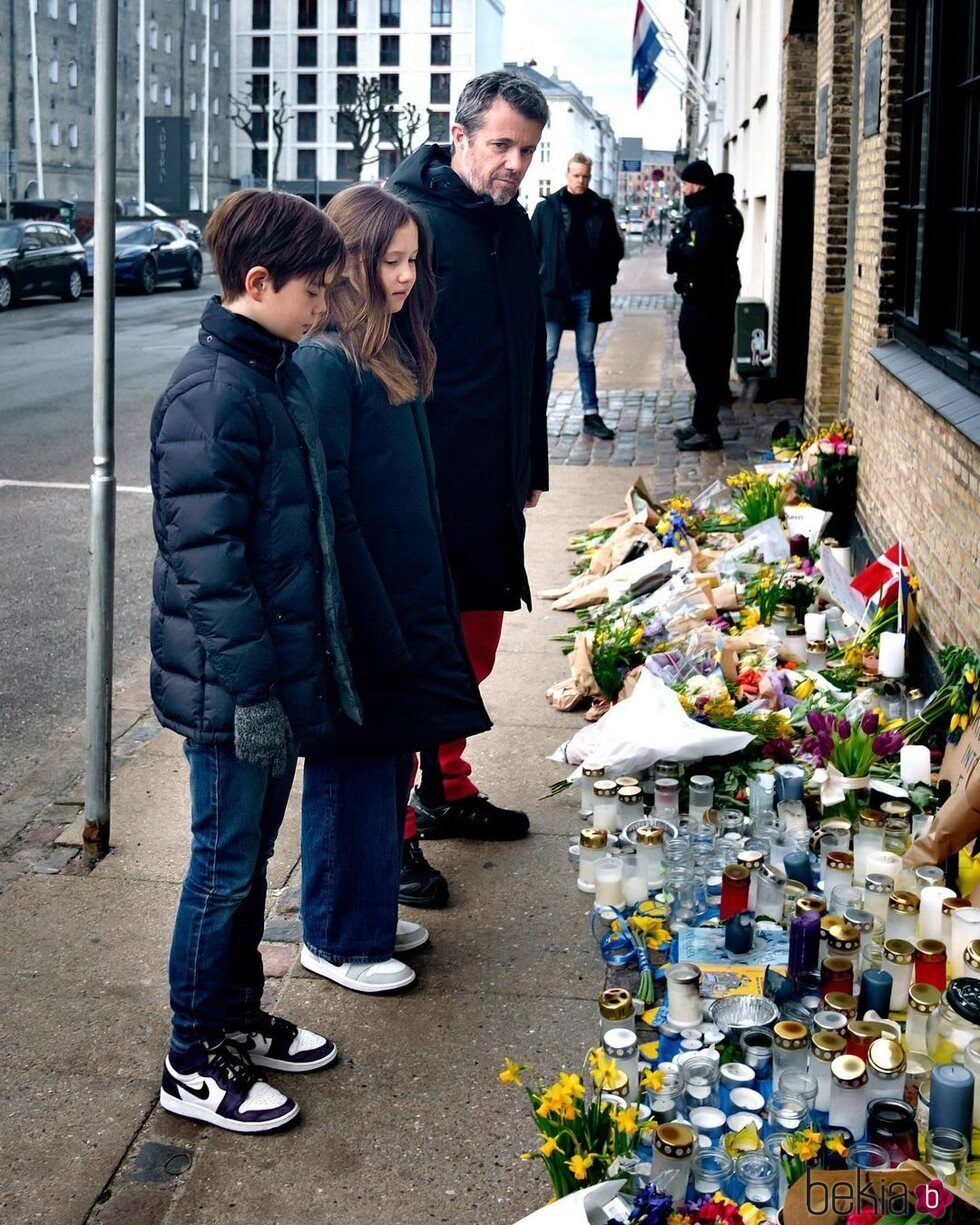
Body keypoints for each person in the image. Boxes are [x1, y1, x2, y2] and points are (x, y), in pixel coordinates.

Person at [150, 189, 361, 1133]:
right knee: (224, 867)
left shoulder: (270, 371)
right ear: (259, 282)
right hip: (232, 691)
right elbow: (209, 566)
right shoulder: (213, 392)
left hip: (266, 679)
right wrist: (253, 695)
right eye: (315, 290)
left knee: (247, 858)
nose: (325, 307)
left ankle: (235, 1016)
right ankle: (193, 1055)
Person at [294, 184, 490, 993]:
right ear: (351, 259)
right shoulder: (327, 358)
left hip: (402, 594)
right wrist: (367, 609)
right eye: (392, 259)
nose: (406, 276)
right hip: (359, 606)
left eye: (414, 261)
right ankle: (337, 935)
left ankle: (368, 906)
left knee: (387, 765)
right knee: (352, 766)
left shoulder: (386, 348)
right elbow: (329, 502)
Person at [386, 70, 549, 871]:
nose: (515, 163)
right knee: (418, 656)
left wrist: (531, 459)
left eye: (527, 150)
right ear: (460, 138)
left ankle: (446, 787)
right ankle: (395, 833)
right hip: (420, 481)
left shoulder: (514, 228)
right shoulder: (408, 221)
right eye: (501, 145)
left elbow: (528, 352)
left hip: (492, 478)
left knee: (474, 646)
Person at [530, 152, 624, 440]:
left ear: (589, 176)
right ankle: (535, 418)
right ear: (567, 175)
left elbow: (614, 249)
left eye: (585, 176)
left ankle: (591, 414)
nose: (580, 180)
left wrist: (606, 279)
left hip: (588, 293)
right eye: (576, 175)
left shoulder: (600, 208)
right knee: (547, 355)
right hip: (554, 294)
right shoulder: (548, 208)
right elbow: (532, 248)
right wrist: (540, 280)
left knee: (586, 356)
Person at [667, 159, 743, 452]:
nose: (683, 190)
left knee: (702, 362)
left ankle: (707, 429)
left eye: (685, 185)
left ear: (697, 185)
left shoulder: (704, 216)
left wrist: (677, 246)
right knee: (709, 363)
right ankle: (702, 422)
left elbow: (696, 255)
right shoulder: (729, 213)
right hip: (718, 297)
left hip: (704, 299)